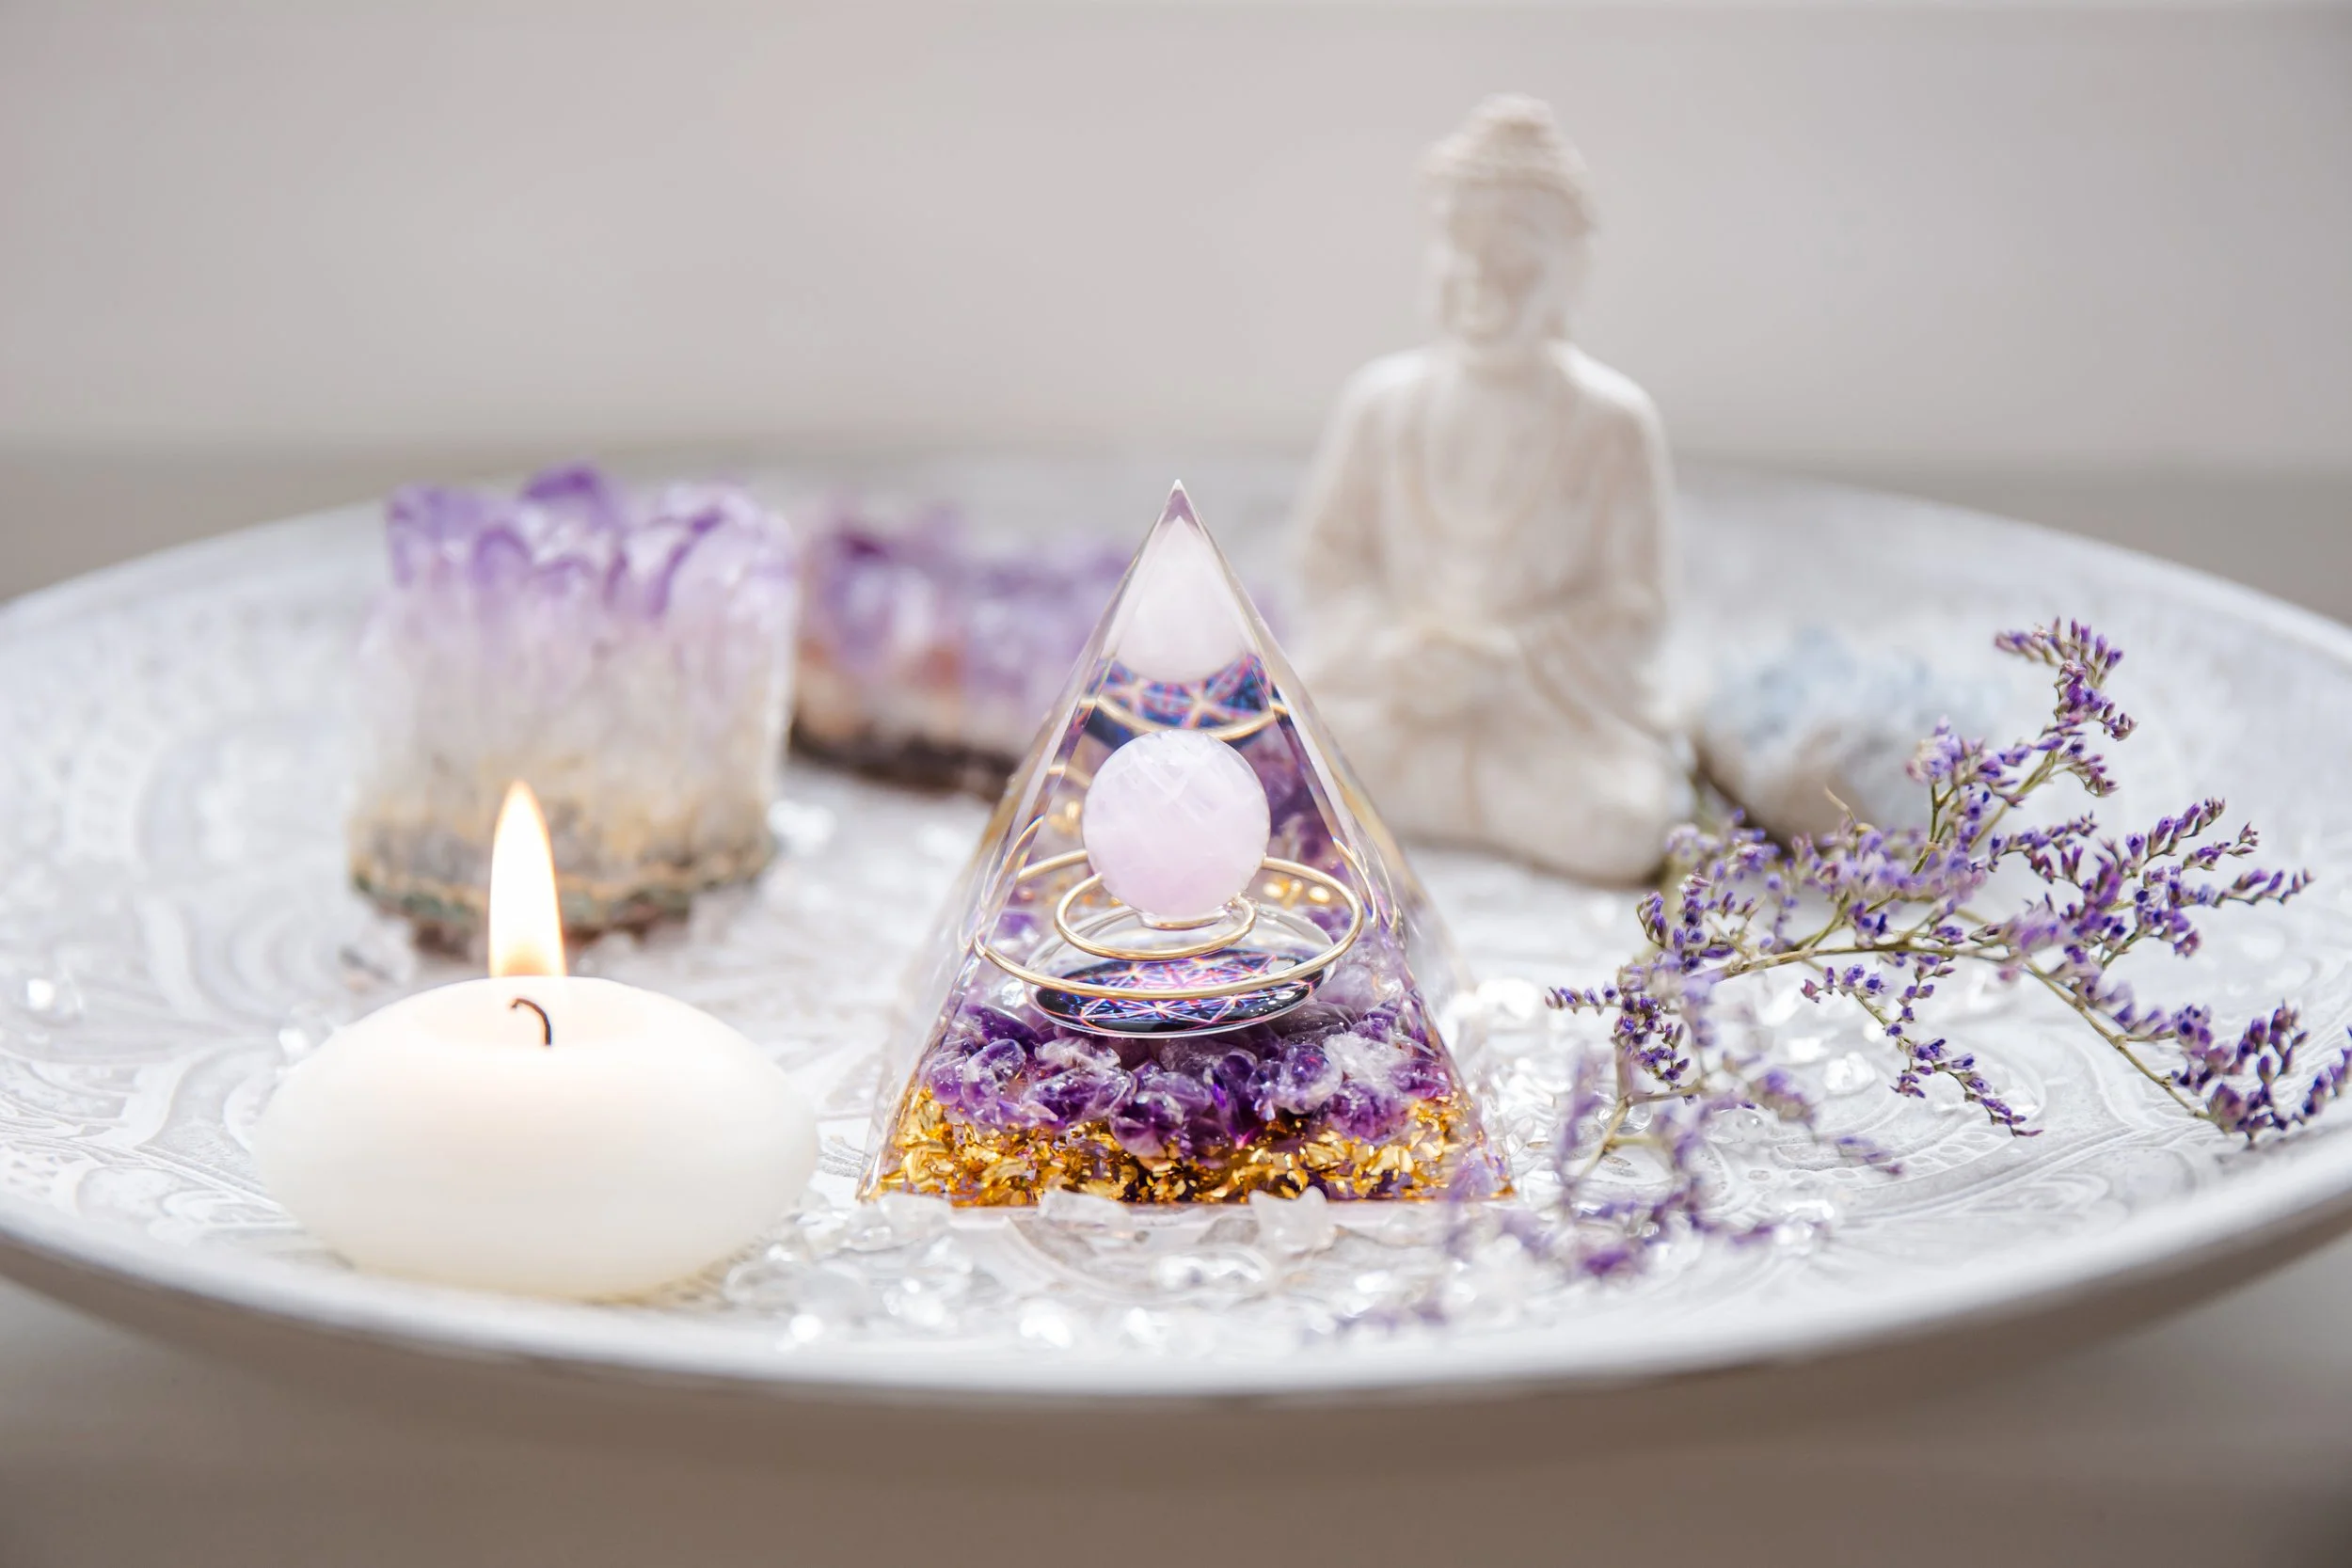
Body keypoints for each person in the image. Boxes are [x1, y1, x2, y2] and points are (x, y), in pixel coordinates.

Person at [1294, 94, 1691, 884]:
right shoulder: (1382, 405)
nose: (1480, 279)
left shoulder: (1611, 424)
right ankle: (1447, 786)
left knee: (1620, 822)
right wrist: (1390, 649)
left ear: (1570, 272)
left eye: (1513, 258)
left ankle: (1435, 791)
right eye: (1458, 249)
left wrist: (1504, 664)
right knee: (1272, 757)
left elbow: (1636, 611)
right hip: (1396, 699)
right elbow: (1327, 566)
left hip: (1539, 721)